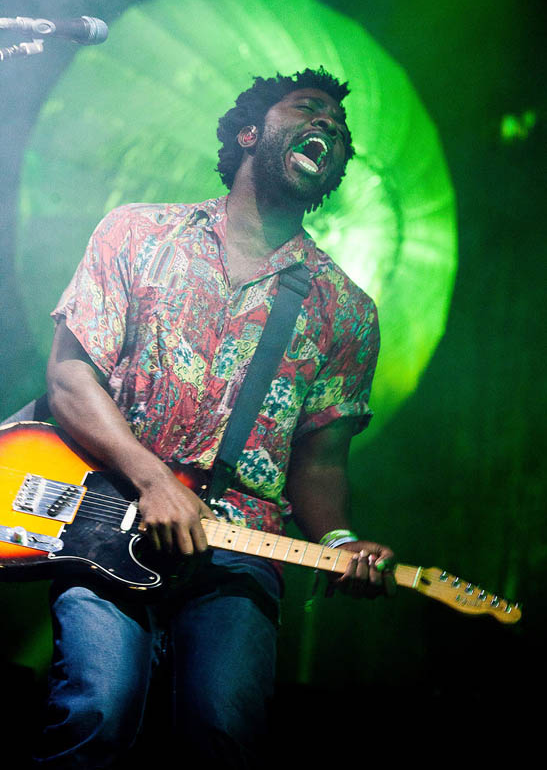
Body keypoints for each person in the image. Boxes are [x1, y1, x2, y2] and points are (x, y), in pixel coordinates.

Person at [36, 67, 395, 768]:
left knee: (223, 733)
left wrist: (343, 538)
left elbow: (319, 463)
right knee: (97, 711)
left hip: (243, 549)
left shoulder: (346, 309)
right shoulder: (139, 232)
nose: (329, 126)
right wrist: (151, 480)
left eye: (340, 127)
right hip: (109, 512)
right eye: (309, 109)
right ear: (249, 132)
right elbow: (70, 379)